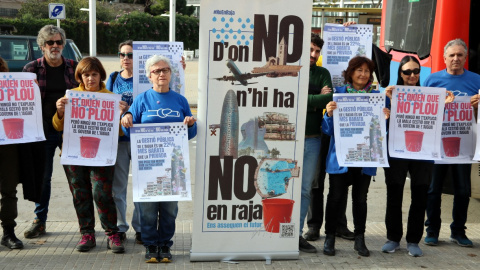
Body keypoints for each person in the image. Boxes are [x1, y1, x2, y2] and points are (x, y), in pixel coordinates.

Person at [121, 55, 196, 263]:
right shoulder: (141, 100)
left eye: (165, 70)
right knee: (147, 209)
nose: (161, 74)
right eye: (157, 71)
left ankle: (165, 243)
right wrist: (125, 118)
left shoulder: (180, 100)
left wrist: (190, 123)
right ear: (149, 76)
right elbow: (129, 132)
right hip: (148, 166)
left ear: (171, 74)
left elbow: (190, 133)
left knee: (170, 209)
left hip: (174, 165)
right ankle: (150, 244)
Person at [53, 57, 128, 253]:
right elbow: (58, 126)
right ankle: (87, 233)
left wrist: (121, 115)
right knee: (80, 194)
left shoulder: (111, 97)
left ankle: (112, 234)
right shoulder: (71, 96)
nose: (90, 78)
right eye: (86, 74)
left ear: (100, 76)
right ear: (80, 76)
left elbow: (119, 133)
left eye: (94, 74)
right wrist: (60, 112)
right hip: (73, 155)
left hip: (102, 155)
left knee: (101, 193)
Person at [322, 56, 384, 257]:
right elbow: (327, 130)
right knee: (335, 197)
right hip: (341, 158)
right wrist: (329, 115)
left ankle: (360, 238)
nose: (363, 74)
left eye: (367, 71)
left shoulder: (377, 97)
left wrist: (384, 119)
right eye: (359, 70)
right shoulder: (337, 94)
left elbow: (381, 133)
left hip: (365, 158)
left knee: (360, 199)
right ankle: (330, 237)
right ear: (351, 72)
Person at [22, 25, 79, 239]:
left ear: (63, 44)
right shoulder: (30, 69)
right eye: (50, 43)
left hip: (71, 130)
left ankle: (86, 224)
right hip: (42, 130)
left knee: (77, 178)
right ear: (42, 46)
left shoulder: (75, 67)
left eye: (58, 42)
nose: (55, 46)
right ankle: (39, 221)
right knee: (43, 177)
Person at [424, 39, 480, 247]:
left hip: (464, 145)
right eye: (452, 55)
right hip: (437, 145)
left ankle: (458, 231)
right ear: (444, 58)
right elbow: (424, 112)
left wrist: (476, 107)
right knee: (433, 190)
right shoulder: (432, 80)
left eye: (460, 55)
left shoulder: (477, 81)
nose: (456, 58)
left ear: (466, 58)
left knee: (463, 190)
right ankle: (432, 230)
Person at [382, 56, 440, 257]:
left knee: (420, 196)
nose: (412, 75)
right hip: (396, 152)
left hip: (423, 153)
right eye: (407, 72)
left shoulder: (430, 95)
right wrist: (386, 102)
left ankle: (414, 240)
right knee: (394, 195)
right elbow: (381, 124)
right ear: (400, 73)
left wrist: (448, 101)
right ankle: (393, 238)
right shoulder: (390, 94)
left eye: (416, 71)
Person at [298, 33, 334, 253]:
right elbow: (287, 97)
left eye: (317, 51)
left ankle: (295, 234)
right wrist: (313, 99)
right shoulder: (290, 70)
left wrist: (303, 99)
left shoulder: (323, 73)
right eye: (310, 50)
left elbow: (328, 99)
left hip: (313, 139)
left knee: (305, 190)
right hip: (287, 138)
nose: (313, 55)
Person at [105, 40, 142, 244]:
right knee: (117, 188)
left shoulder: (146, 79)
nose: (126, 58)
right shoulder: (113, 78)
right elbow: (105, 106)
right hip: (119, 139)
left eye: (130, 55)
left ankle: (140, 227)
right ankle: (120, 227)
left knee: (141, 187)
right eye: (122, 54)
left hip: (141, 139)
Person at [0, 57, 23, 250]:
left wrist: (30, 91)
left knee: (8, 189)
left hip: (7, 144)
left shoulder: (10, 84)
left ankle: (8, 232)